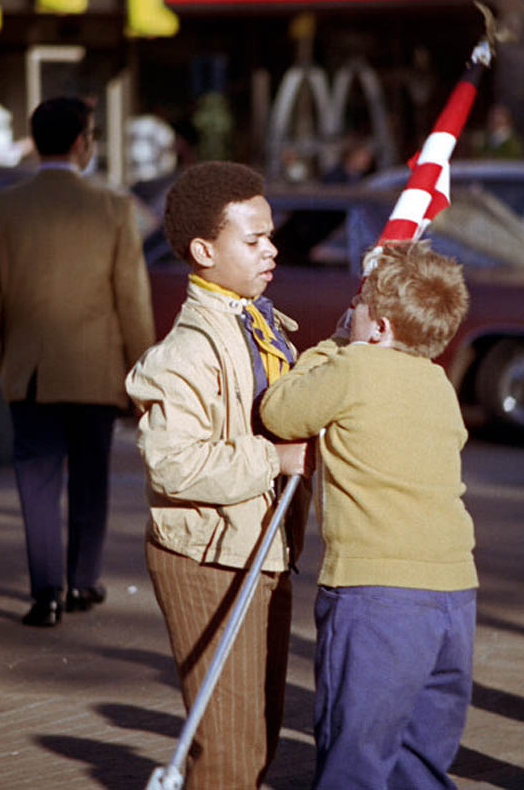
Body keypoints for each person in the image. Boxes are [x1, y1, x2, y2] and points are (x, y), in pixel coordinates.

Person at [260, 239, 478, 790]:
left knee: (354, 749)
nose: (349, 313)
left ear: (378, 328)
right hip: (453, 594)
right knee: (421, 753)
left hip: (375, 595)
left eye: (356, 306)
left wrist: (333, 346)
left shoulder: (353, 367)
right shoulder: (438, 385)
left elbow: (281, 409)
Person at [125, 161, 311, 790]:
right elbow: (174, 463)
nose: (272, 249)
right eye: (253, 239)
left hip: (263, 542)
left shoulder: (255, 318)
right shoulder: (186, 350)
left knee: (260, 726)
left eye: (270, 236)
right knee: (229, 742)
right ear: (204, 251)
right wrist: (275, 460)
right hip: (208, 555)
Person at [0, 96, 155, 627]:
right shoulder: (114, 208)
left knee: (37, 482)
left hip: (29, 370)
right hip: (96, 370)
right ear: (81, 141)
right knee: (91, 479)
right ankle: (83, 582)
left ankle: (46, 592)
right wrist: (143, 368)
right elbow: (132, 299)